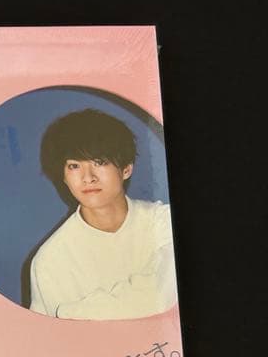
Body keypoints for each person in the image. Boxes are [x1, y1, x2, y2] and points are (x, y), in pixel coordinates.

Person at [29, 108, 177, 320]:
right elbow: (60, 336)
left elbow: (164, 295)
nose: (88, 177)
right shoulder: (50, 260)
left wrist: (70, 312)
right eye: (74, 166)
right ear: (63, 177)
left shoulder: (165, 222)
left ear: (126, 169)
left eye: (99, 162)